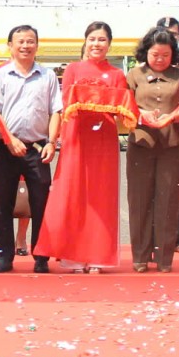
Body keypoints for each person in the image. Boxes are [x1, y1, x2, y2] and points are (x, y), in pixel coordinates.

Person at [38, 21, 131, 272]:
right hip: (76, 136)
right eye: (92, 39)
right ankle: (73, 255)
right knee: (73, 193)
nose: (96, 44)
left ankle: (98, 256)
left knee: (101, 197)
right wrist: (55, 138)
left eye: (102, 40)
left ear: (109, 44)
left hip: (104, 139)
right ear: (85, 41)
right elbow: (63, 104)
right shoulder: (73, 69)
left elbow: (122, 110)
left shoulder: (116, 75)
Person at [0, 24, 60, 273]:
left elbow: (55, 111)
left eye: (30, 41)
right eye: (20, 41)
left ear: (37, 45)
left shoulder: (48, 76)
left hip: (37, 148)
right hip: (6, 147)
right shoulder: (0, 76)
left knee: (41, 203)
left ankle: (41, 256)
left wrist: (52, 142)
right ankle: (4, 256)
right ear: (10, 46)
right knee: (3, 203)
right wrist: (9, 140)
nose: (25, 46)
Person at [126, 26, 179, 273]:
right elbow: (124, 104)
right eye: (155, 55)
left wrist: (171, 116)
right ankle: (140, 256)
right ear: (146, 52)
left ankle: (165, 258)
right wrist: (141, 114)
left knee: (168, 198)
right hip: (141, 143)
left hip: (172, 143)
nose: (160, 60)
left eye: (165, 55)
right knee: (139, 198)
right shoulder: (134, 74)